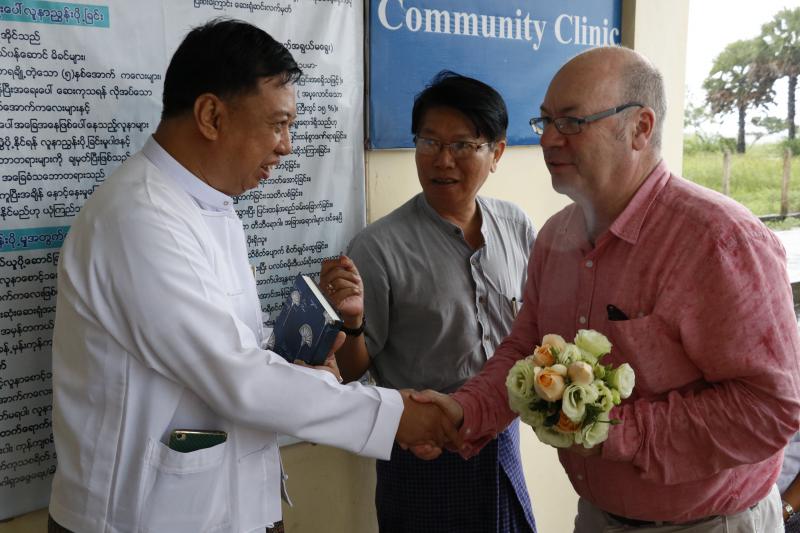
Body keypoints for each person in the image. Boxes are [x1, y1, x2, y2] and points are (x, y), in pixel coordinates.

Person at [47, 19, 458, 533]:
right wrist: (395, 416)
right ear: (211, 115)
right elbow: (233, 375)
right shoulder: (138, 219)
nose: (287, 146)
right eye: (277, 124)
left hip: (230, 504)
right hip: (145, 517)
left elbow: (235, 345)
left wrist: (306, 359)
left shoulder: (212, 205)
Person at [417, 46, 800, 532]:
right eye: (546, 121)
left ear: (641, 127)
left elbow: (769, 408)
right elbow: (525, 350)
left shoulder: (719, 241)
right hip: (598, 517)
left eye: (573, 122)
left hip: (709, 523)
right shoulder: (555, 237)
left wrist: (612, 430)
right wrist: (463, 411)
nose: (549, 140)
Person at [320, 71, 536, 532]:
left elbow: (534, 328)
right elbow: (353, 370)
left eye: (462, 145)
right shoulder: (378, 247)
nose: (443, 160)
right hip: (421, 454)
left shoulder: (515, 225)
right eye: (429, 142)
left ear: (496, 153)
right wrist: (353, 323)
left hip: (501, 442)